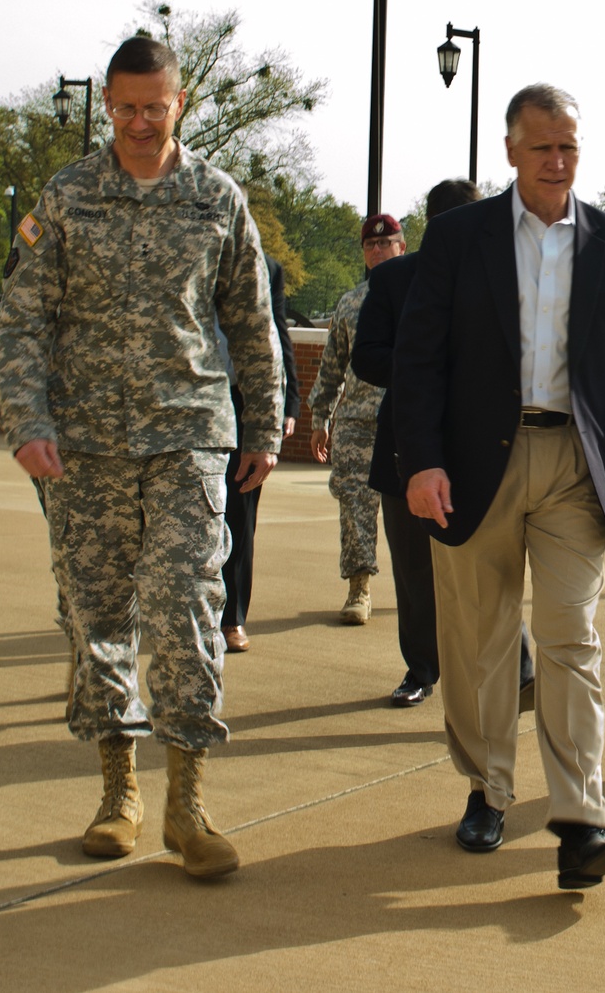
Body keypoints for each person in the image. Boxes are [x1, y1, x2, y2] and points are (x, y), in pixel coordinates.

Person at [0, 33, 284, 880]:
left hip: (189, 434)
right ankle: (118, 788)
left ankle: (187, 802)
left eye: (156, 106)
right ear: (108, 105)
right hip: (82, 443)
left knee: (186, 601)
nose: (141, 122)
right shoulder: (68, 195)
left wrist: (264, 426)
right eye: (126, 107)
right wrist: (26, 419)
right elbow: (23, 318)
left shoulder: (216, 198)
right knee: (94, 614)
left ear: (180, 103)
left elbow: (250, 323)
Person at [393, 84, 605, 891]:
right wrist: (421, 461)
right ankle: (488, 787)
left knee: (569, 637)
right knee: (477, 643)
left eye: (569, 147)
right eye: (542, 146)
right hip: (475, 464)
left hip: (576, 468)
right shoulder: (456, 238)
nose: (557, 161)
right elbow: (419, 359)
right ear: (509, 150)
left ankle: (582, 818)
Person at [351, 180, 537, 709]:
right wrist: (426, 371)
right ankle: (422, 670)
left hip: (485, 453)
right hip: (405, 451)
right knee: (415, 575)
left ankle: (520, 671)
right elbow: (366, 357)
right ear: (441, 225)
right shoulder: (393, 279)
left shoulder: (508, 280)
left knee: (491, 569)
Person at [308, 213, 406, 623]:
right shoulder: (349, 303)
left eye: (386, 244)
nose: (379, 251)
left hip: (405, 420)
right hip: (357, 423)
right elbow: (333, 364)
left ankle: (426, 591)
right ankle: (359, 588)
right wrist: (321, 416)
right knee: (355, 507)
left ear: (402, 246)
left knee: (414, 514)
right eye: (371, 245)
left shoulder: (422, 295)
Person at [220, 253, 300, 653]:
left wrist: (288, 404)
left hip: (242, 402)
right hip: (182, 401)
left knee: (239, 513)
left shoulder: (264, 268)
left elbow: (277, 335)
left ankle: (232, 618)